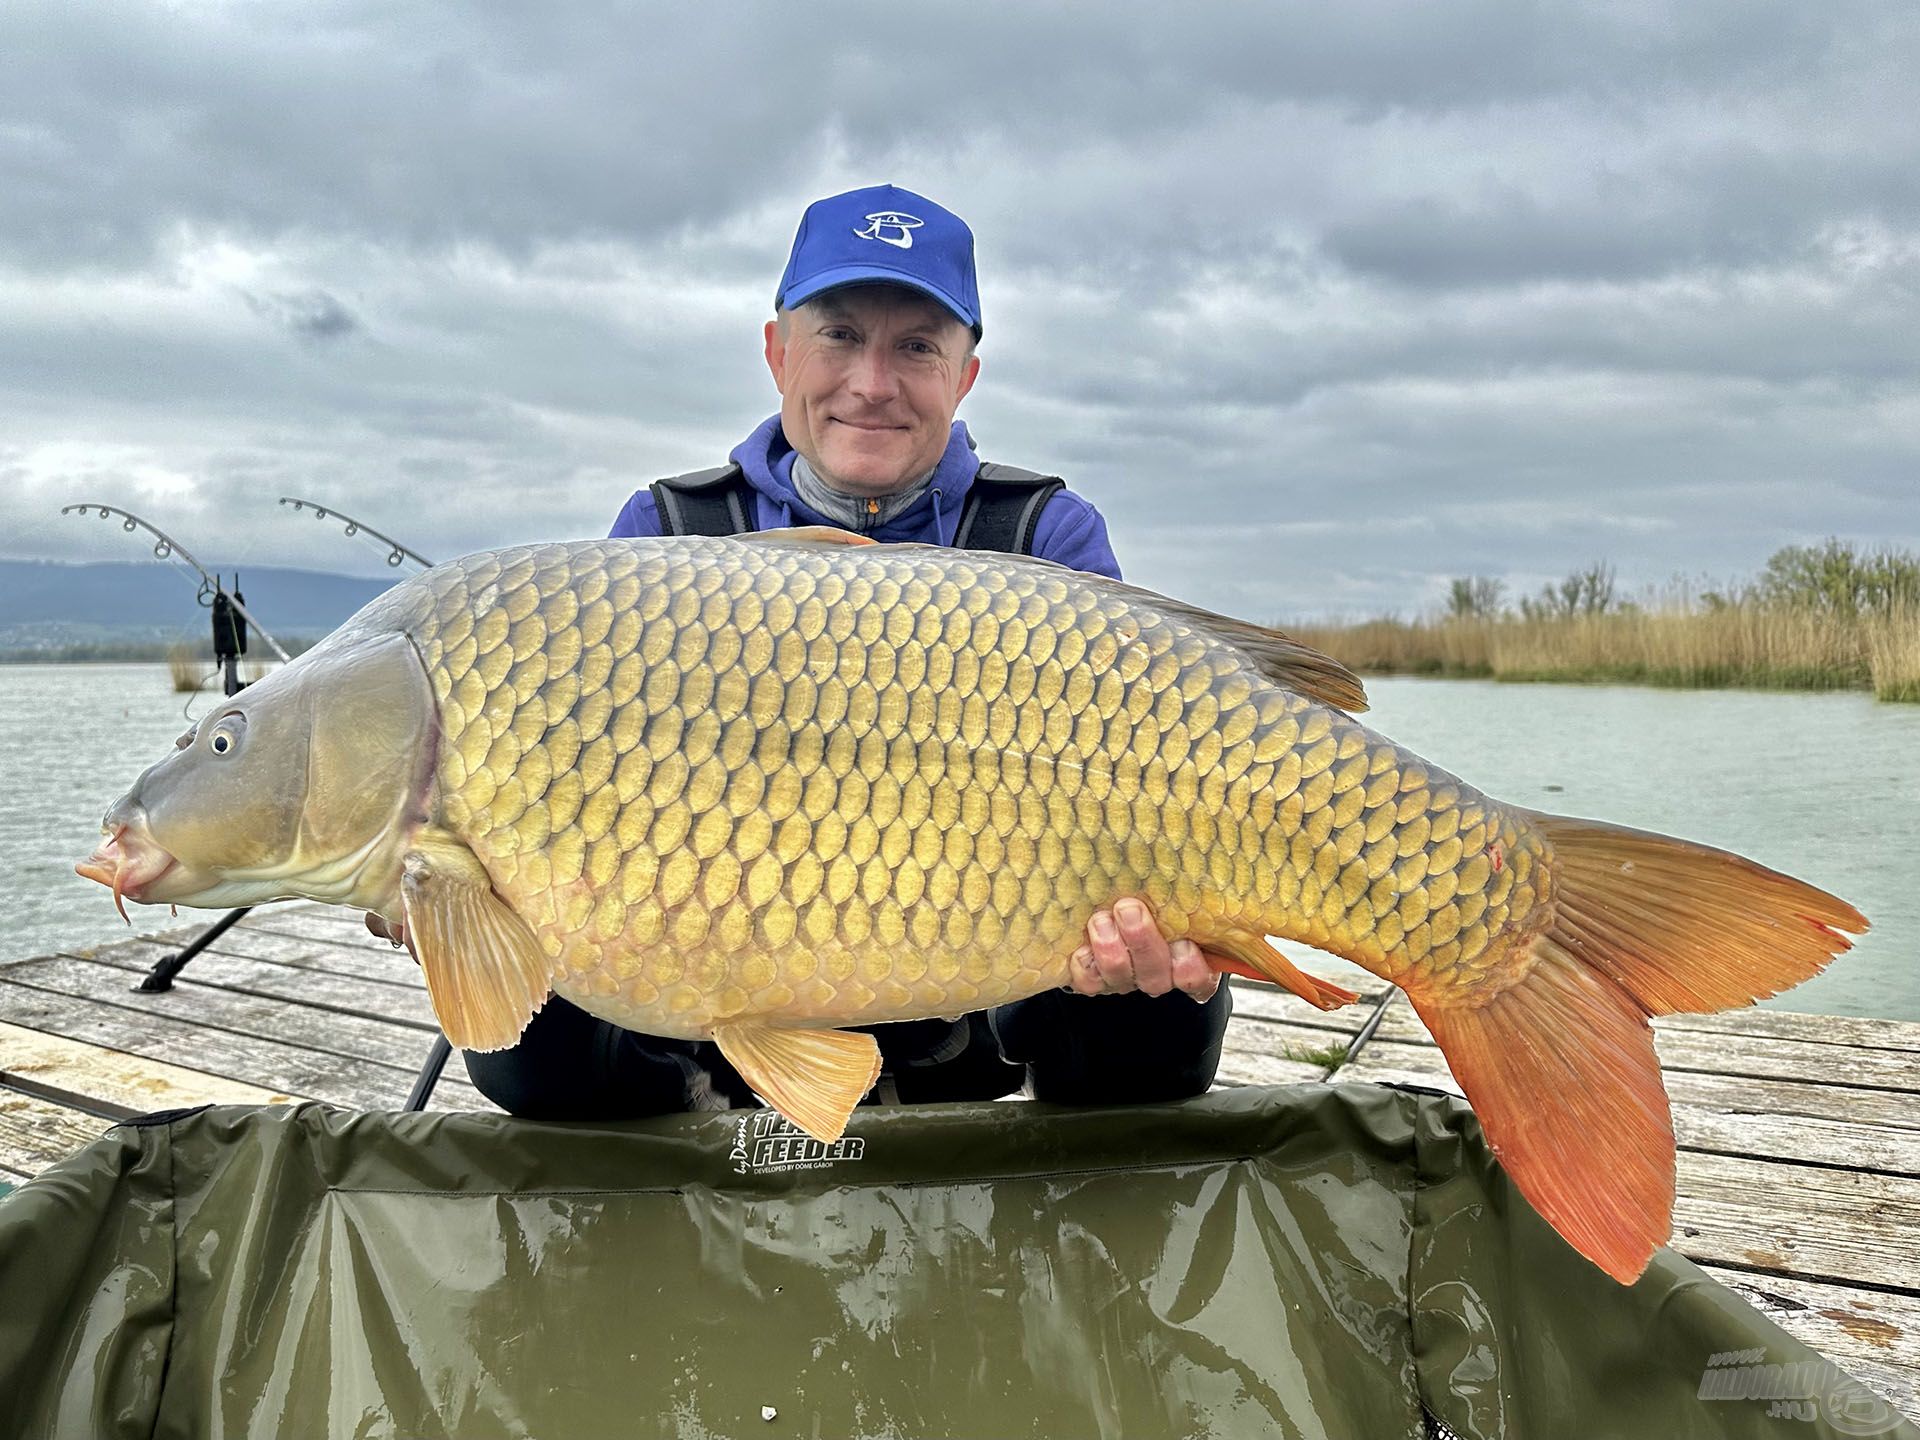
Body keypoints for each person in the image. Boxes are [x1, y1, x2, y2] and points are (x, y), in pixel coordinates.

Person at [453, 185, 1234, 1120]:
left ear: (965, 376)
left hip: (986, 997)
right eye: (839, 336)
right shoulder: (667, 535)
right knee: (521, 1047)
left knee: (1159, 1018)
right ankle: (689, 1120)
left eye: (915, 346)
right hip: (708, 995)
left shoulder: (1038, 535)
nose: (872, 381)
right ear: (778, 350)